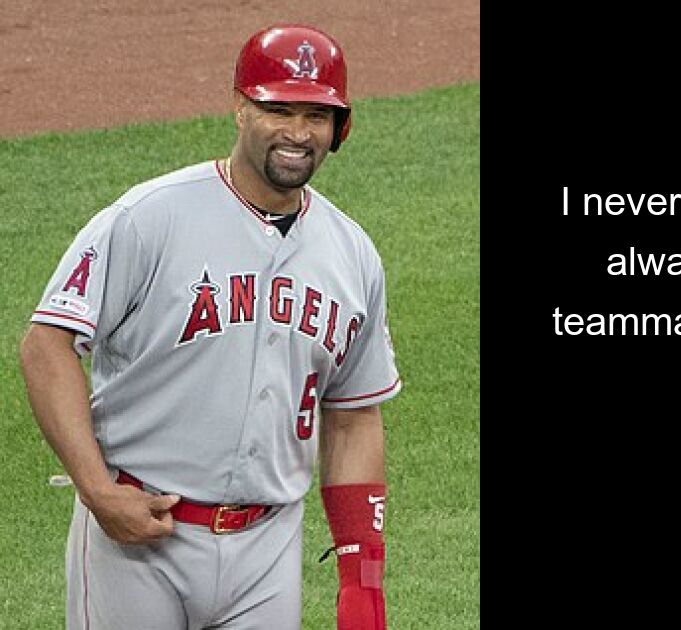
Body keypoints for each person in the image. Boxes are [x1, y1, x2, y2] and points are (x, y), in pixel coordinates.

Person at [19, 24, 399, 630]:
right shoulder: (150, 218)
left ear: (340, 126)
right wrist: (96, 489)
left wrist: (362, 576)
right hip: (138, 540)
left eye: (316, 115)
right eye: (278, 109)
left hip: (268, 548)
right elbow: (48, 345)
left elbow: (353, 416)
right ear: (240, 107)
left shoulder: (352, 254)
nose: (298, 133)